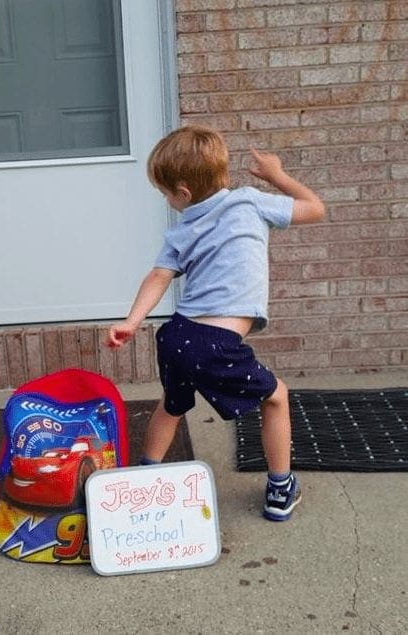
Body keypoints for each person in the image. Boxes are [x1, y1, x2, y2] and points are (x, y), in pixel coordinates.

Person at [105, 125, 325, 521]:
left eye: (165, 194)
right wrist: (277, 176)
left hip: (176, 335)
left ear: (184, 193)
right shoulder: (251, 202)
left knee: (171, 407)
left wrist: (131, 322)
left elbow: (157, 277)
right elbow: (315, 207)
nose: (167, 200)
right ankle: (280, 489)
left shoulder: (181, 229)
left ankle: (144, 476)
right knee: (277, 397)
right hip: (213, 343)